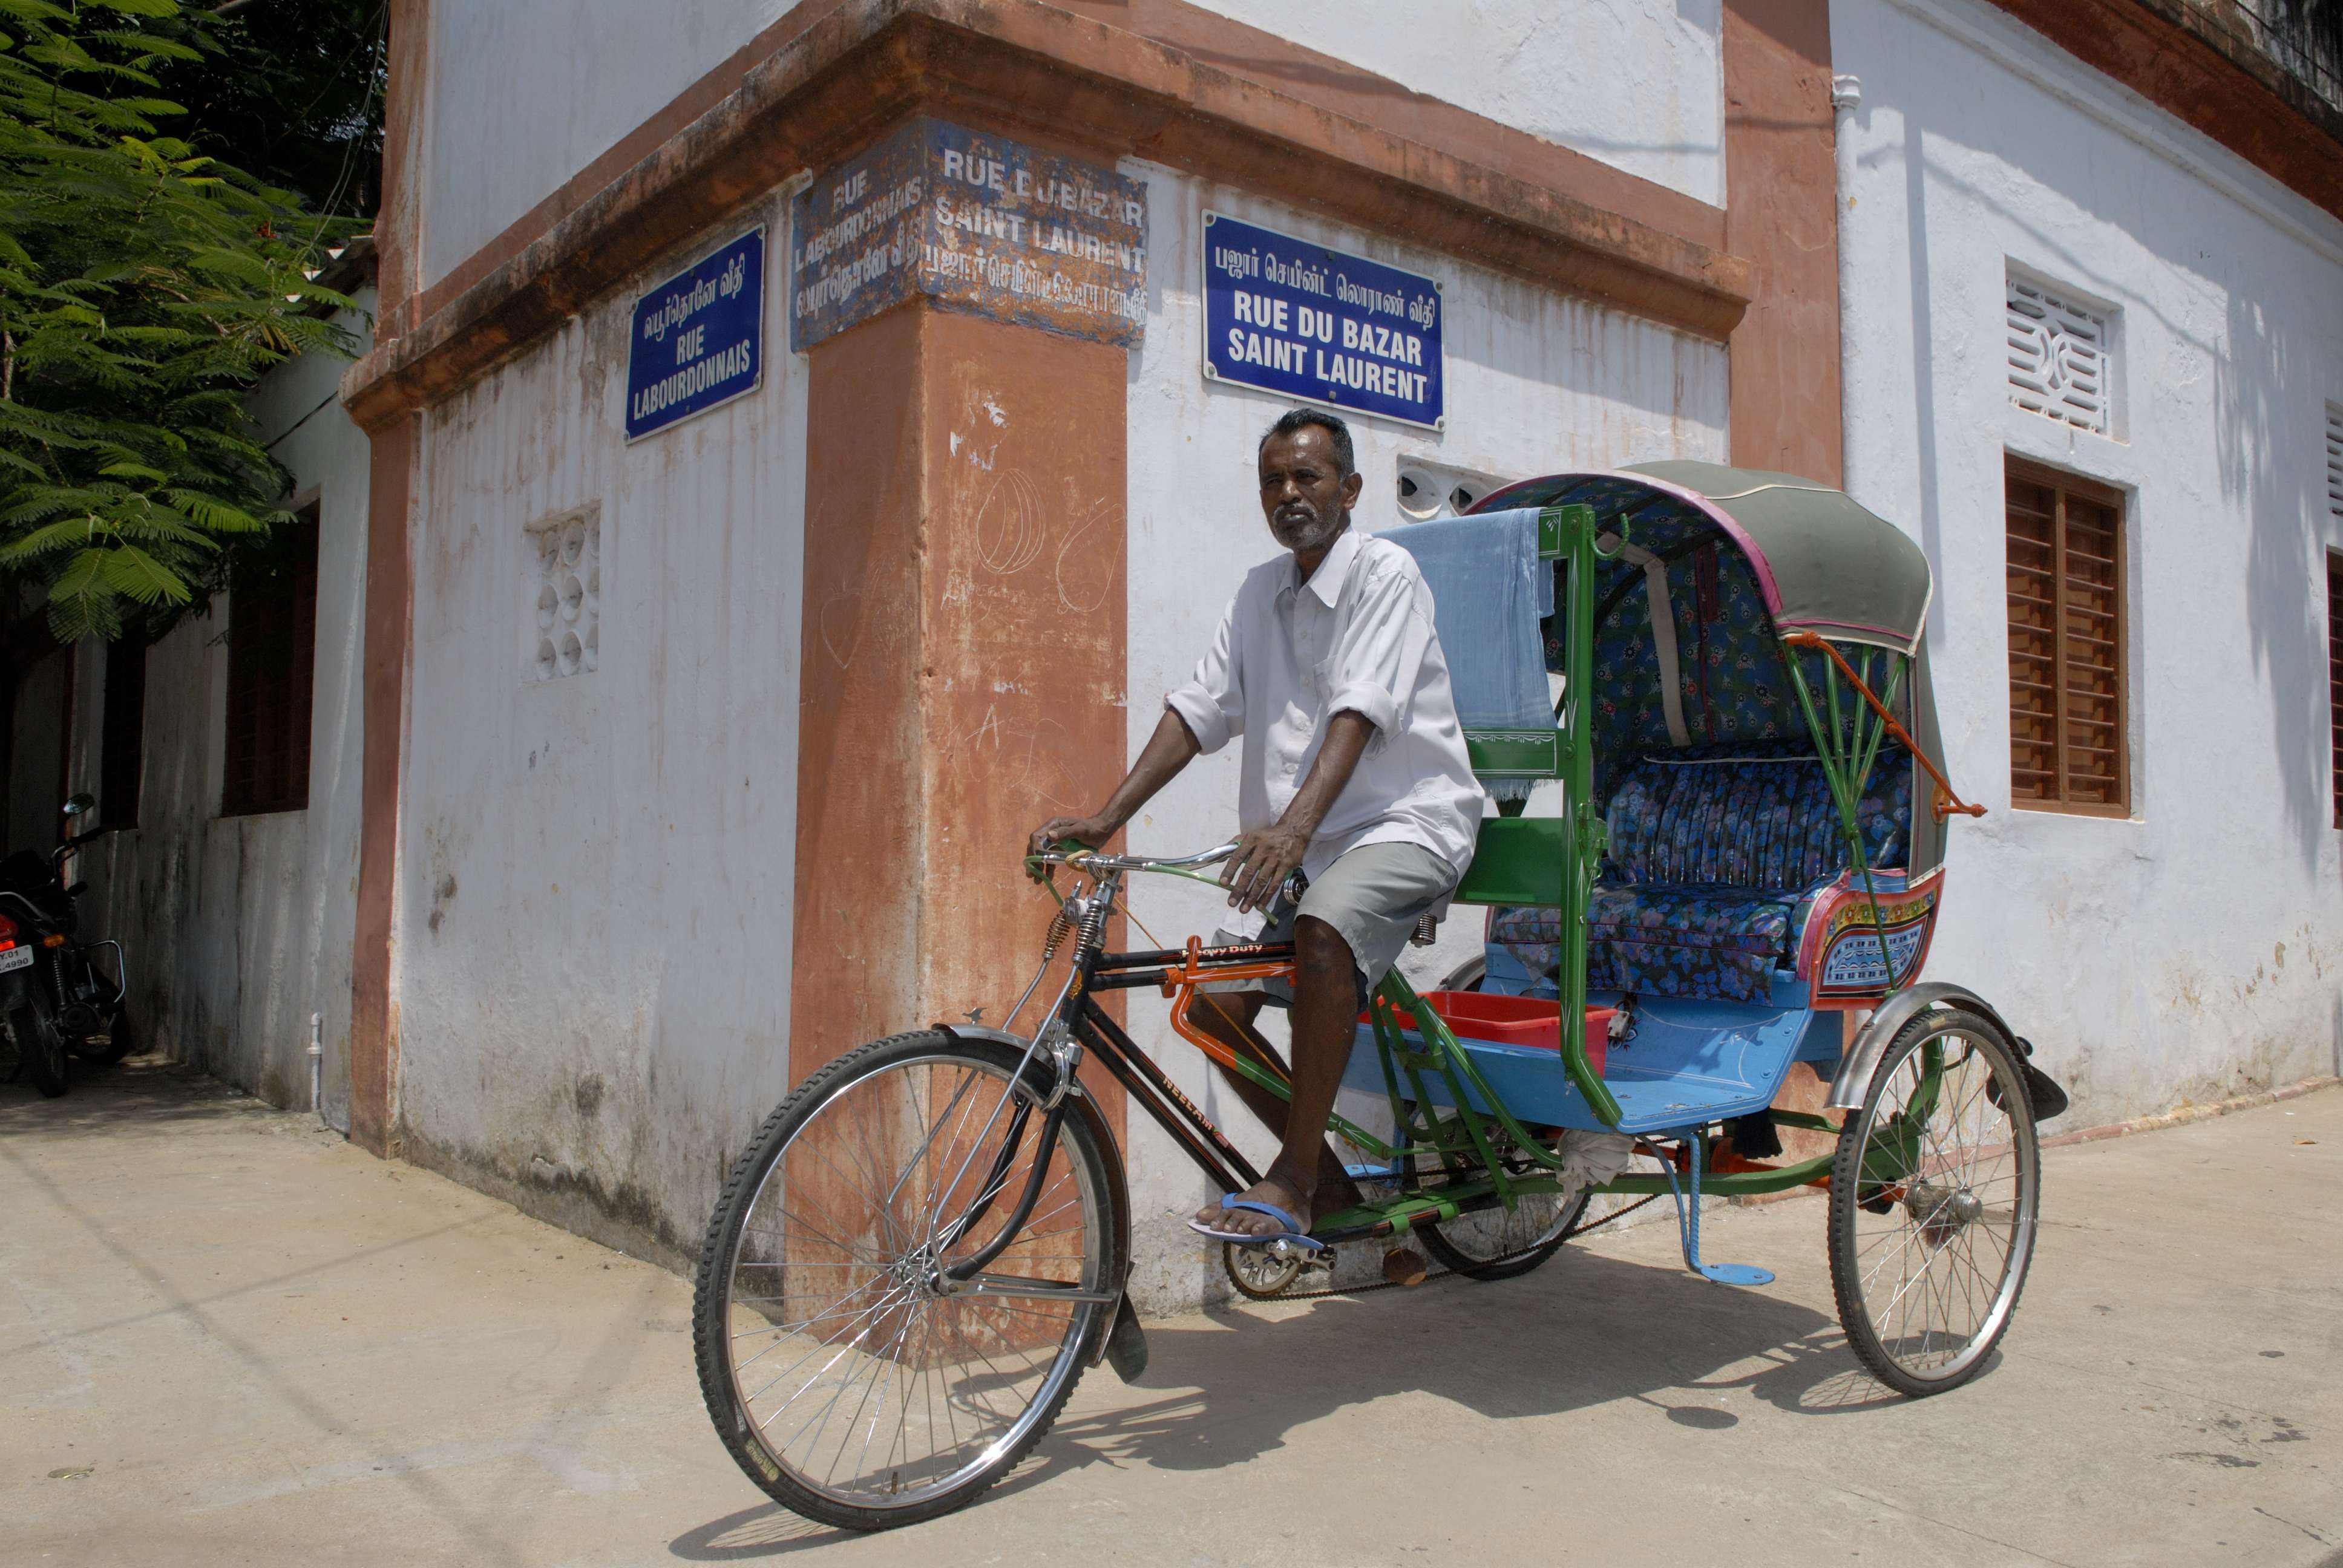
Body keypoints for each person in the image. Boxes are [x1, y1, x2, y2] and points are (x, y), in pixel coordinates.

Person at [1027, 408, 1484, 1246]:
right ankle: (1333, 1185)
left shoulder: (1387, 573)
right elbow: (1200, 710)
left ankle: (1295, 1181)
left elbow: (1358, 710)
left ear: (1350, 489)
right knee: (1211, 1007)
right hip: (1312, 846)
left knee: (1322, 928)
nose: (1288, 494)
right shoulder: (1257, 592)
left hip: (1408, 824)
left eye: (1307, 477)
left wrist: (1294, 831)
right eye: (1273, 480)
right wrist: (1106, 817)